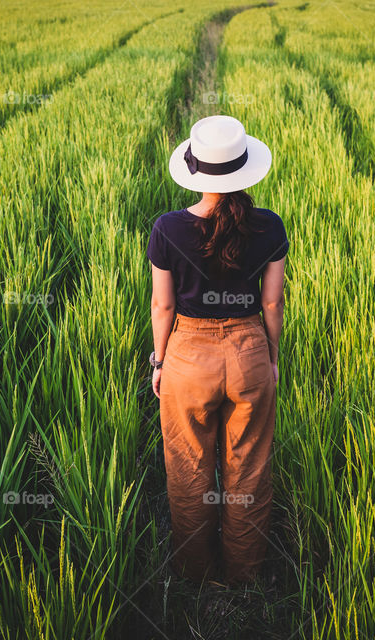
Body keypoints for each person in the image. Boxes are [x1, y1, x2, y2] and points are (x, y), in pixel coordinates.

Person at [146, 115, 288, 585]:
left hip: (187, 357)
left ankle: (195, 576)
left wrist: (160, 361)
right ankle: (244, 578)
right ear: (245, 171)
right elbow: (272, 300)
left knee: (189, 469)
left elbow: (163, 305)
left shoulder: (167, 229)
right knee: (248, 469)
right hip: (248, 351)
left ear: (198, 172)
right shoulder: (269, 227)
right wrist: (268, 357)